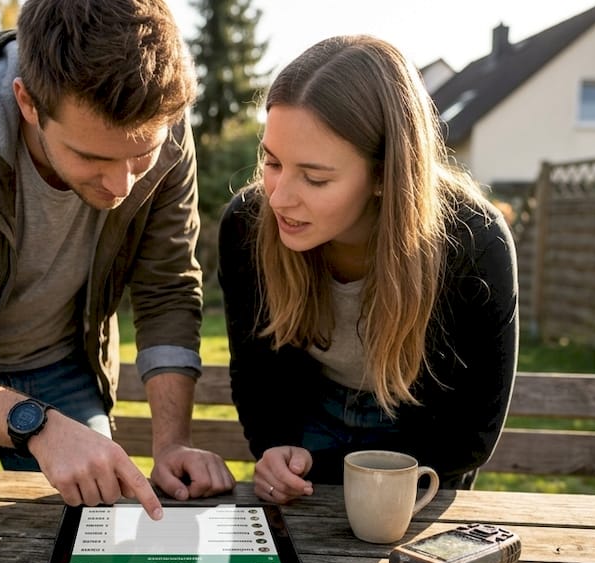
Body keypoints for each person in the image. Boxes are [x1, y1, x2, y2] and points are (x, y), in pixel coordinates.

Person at [0, 0, 235, 520]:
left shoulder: (162, 125)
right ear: (28, 103)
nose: (122, 185)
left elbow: (166, 286)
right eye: (93, 157)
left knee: (87, 537)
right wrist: (37, 424)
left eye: (139, 154)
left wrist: (172, 445)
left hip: (66, 364)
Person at [218, 35, 518, 504]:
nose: (278, 198)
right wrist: (275, 449)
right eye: (272, 162)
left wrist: (361, 475)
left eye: (315, 178)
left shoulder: (474, 242)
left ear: (384, 174)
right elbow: (257, 377)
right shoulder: (247, 225)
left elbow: (471, 434)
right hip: (308, 421)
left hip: (430, 443)